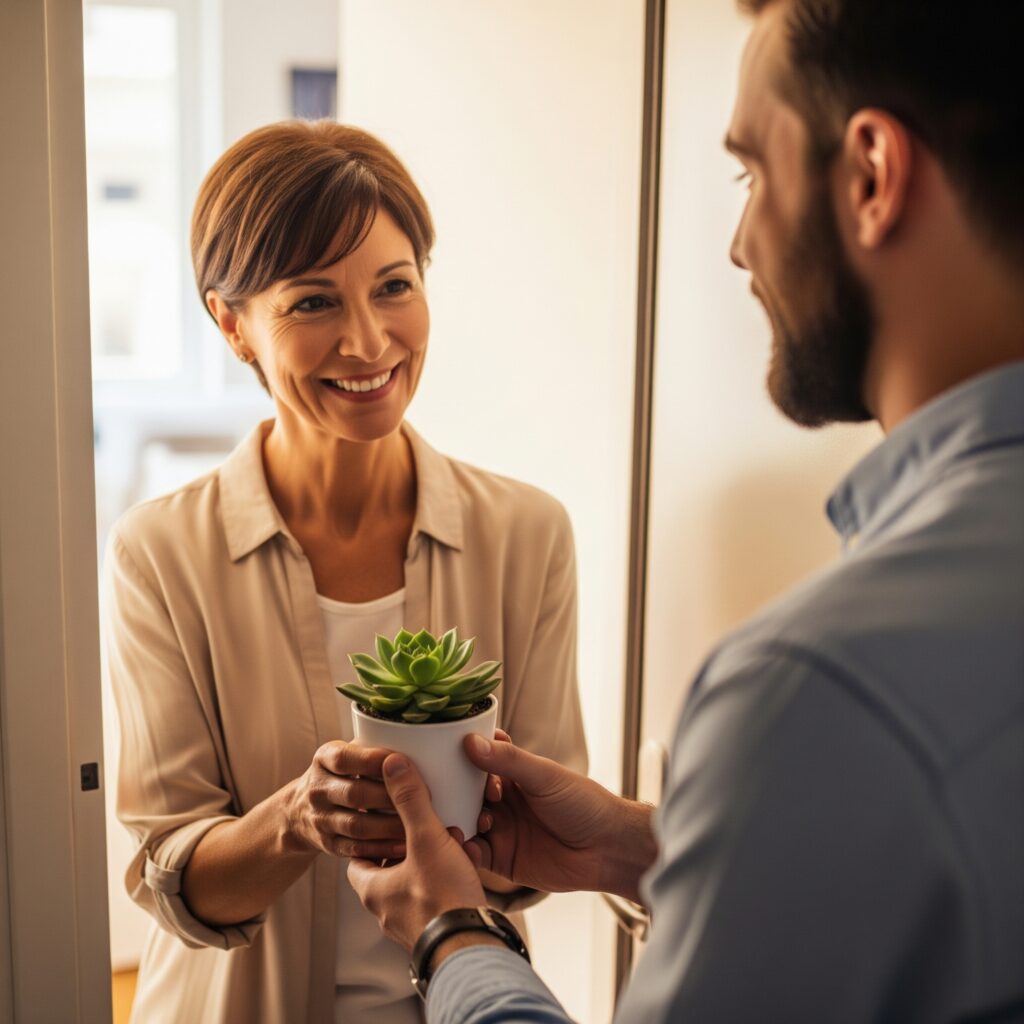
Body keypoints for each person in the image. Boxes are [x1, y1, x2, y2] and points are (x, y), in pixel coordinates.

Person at [347, 0, 1024, 1020]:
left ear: (871, 175)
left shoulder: (813, 688)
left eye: (751, 174)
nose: (741, 246)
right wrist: (648, 846)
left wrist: (453, 931)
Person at [103, 122, 587, 1023]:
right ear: (232, 323)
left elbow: (539, 858)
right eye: (313, 303)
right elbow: (169, 876)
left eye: (394, 287)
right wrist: (297, 820)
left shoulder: (528, 533)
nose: (368, 343)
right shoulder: (158, 551)